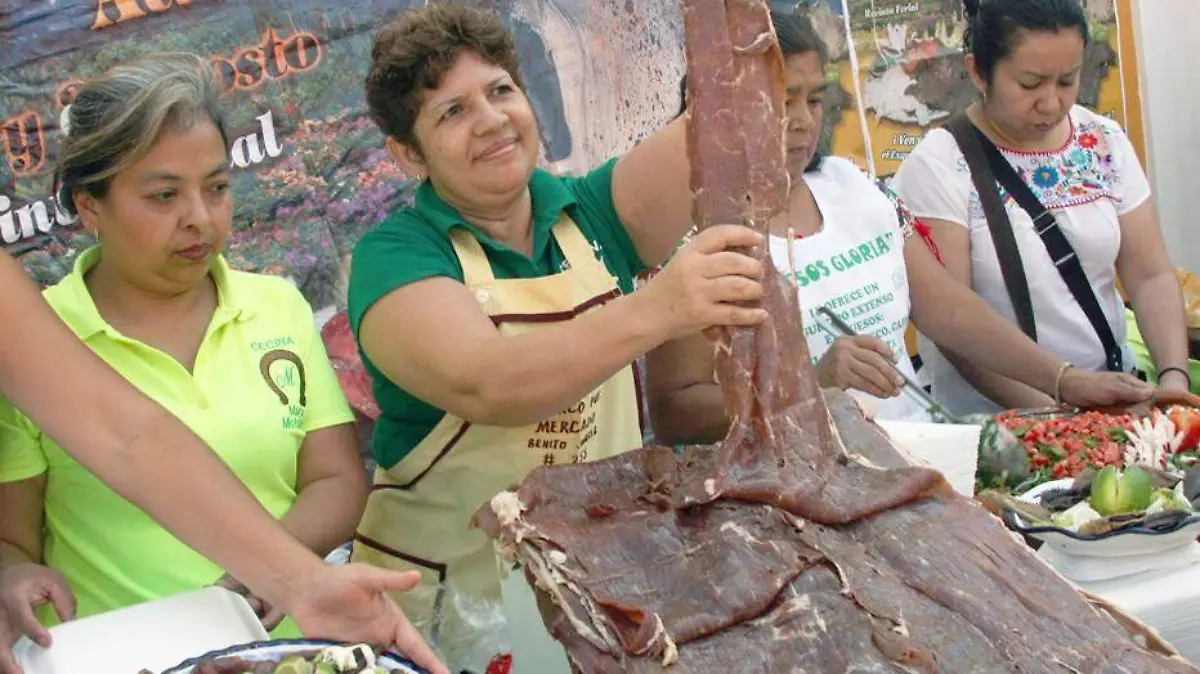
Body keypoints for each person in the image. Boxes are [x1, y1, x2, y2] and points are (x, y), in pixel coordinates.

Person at [347, 4, 765, 669]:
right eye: (450, 113)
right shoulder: (396, 255)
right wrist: (660, 306)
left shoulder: (590, 210)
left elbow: (726, 121)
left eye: (500, 91)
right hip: (448, 615)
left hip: (590, 592)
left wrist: (735, 35)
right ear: (407, 154)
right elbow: (490, 383)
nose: (489, 120)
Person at [0, 53, 446, 674]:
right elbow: (15, 535)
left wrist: (264, 581)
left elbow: (332, 478)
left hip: (278, 647)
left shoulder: (275, 307)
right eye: (163, 196)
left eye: (216, 188)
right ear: (89, 206)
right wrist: (13, 573)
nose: (199, 219)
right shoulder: (46, 330)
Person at [643, 9, 1151, 446]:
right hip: (792, 492)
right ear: (720, 109)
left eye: (814, 99)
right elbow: (676, 412)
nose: (801, 120)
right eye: (781, 100)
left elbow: (946, 308)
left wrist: (1065, 381)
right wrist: (808, 387)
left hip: (917, 460)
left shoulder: (853, 188)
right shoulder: (691, 233)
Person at [893, 0, 1188, 415]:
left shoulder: (1102, 141)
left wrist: (1173, 376)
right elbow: (953, 325)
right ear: (979, 71)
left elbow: (1151, 274)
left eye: (1067, 81)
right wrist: (1063, 415)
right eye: (1031, 85)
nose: (1051, 103)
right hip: (1009, 423)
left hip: (1119, 400)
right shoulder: (938, 166)